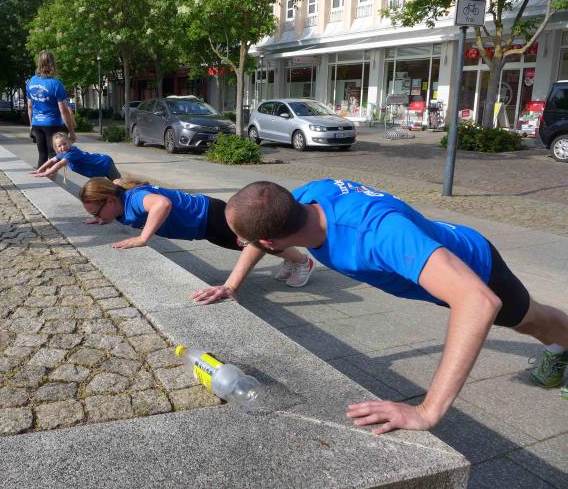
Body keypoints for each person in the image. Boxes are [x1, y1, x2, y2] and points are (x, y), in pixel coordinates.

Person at [224, 179, 568, 434]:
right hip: (433, 262)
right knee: (528, 322)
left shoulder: (373, 234)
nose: (241, 243)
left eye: (243, 239)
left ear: (269, 242)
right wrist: (231, 286)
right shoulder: (306, 199)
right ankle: (558, 347)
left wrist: (427, 412)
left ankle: (560, 347)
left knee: (530, 320)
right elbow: (263, 230)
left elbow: (479, 301)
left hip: (478, 269)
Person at [79, 177, 316, 294]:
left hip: (209, 217)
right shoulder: (119, 199)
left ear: (110, 200)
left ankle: (303, 262)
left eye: (96, 212)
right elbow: (115, 183)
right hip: (203, 224)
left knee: (255, 242)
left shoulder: (134, 200)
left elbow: (161, 204)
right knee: (250, 244)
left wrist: (143, 239)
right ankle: (294, 260)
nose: (97, 216)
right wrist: (102, 218)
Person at [26, 50, 77, 168]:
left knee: (42, 155)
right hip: (52, 124)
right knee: (53, 156)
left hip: (37, 123)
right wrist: (72, 131)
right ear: (53, 63)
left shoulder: (31, 82)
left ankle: (42, 176)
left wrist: (31, 125)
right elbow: (64, 110)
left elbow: (29, 106)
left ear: (39, 63)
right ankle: (49, 178)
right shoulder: (56, 84)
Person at [32, 132, 121, 181]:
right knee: (109, 186)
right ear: (56, 148)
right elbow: (51, 161)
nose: (63, 147)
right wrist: (39, 170)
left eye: (64, 144)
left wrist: (45, 173)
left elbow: (59, 164)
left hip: (104, 163)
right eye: (59, 146)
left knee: (120, 184)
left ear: (69, 142)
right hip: (96, 168)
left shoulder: (72, 153)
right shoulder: (63, 153)